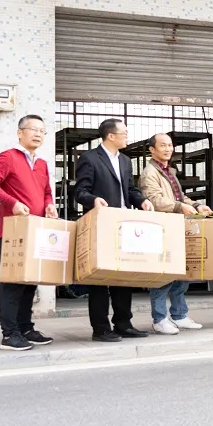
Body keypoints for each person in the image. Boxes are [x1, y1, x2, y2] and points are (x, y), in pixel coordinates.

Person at [0, 115, 58, 351]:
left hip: (36, 230)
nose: (38, 134)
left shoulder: (42, 163)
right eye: (33, 129)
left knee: (30, 282)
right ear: (19, 133)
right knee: (13, 284)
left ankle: (25, 328)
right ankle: (9, 334)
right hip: (14, 232)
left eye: (42, 131)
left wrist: (49, 205)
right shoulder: (8, 157)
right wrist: (12, 202)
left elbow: (46, 192)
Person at [73, 118, 155, 342]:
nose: (127, 136)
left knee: (123, 276)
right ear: (111, 136)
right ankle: (100, 328)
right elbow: (80, 192)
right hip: (100, 225)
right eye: (124, 133)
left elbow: (130, 190)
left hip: (123, 226)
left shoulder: (125, 161)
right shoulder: (90, 158)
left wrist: (142, 201)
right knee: (99, 279)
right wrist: (94, 199)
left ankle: (123, 324)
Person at [138, 132, 213, 335]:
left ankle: (179, 315)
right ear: (152, 149)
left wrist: (196, 205)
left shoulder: (168, 170)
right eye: (163, 145)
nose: (168, 149)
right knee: (163, 275)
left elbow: (179, 197)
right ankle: (160, 319)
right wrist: (180, 207)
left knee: (181, 274)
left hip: (175, 227)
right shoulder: (150, 173)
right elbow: (154, 200)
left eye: (170, 145)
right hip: (161, 229)